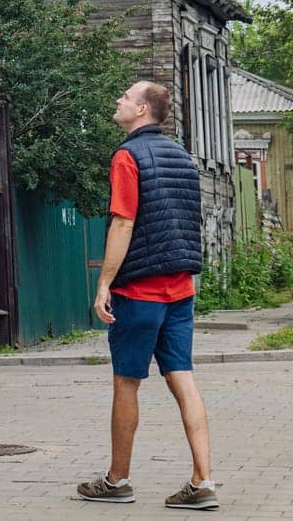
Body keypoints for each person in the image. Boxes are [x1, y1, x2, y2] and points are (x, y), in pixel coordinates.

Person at [76, 81, 218, 510]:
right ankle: (203, 480)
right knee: (183, 377)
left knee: (127, 381)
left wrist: (105, 284)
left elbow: (123, 224)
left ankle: (117, 480)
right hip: (181, 286)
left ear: (141, 111)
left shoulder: (127, 156)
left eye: (125, 96)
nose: (118, 99)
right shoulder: (182, 156)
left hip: (139, 289)